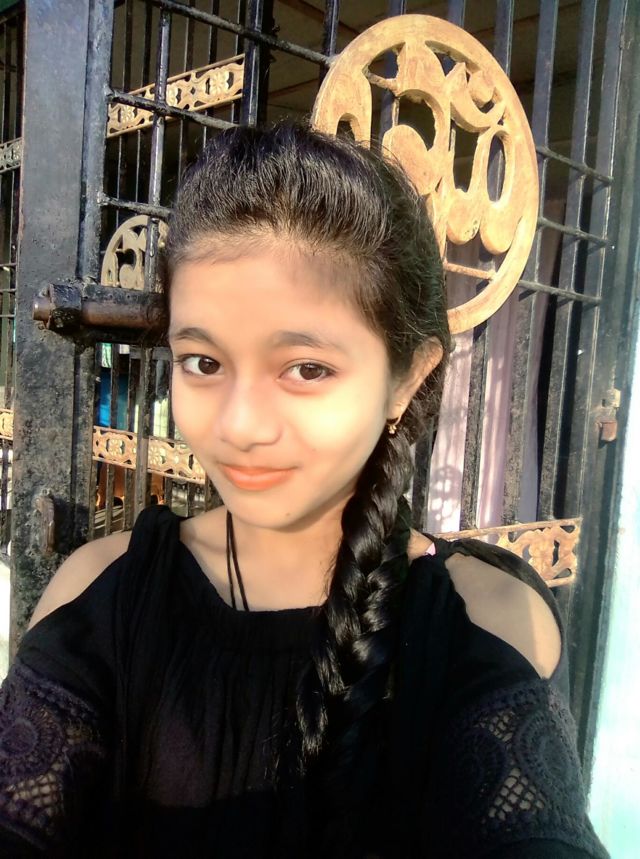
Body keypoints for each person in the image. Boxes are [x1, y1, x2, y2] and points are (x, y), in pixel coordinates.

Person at [0, 122, 609, 859]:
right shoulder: (100, 596)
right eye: (202, 362)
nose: (240, 425)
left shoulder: (487, 625)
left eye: (307, 369)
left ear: (407, 378)